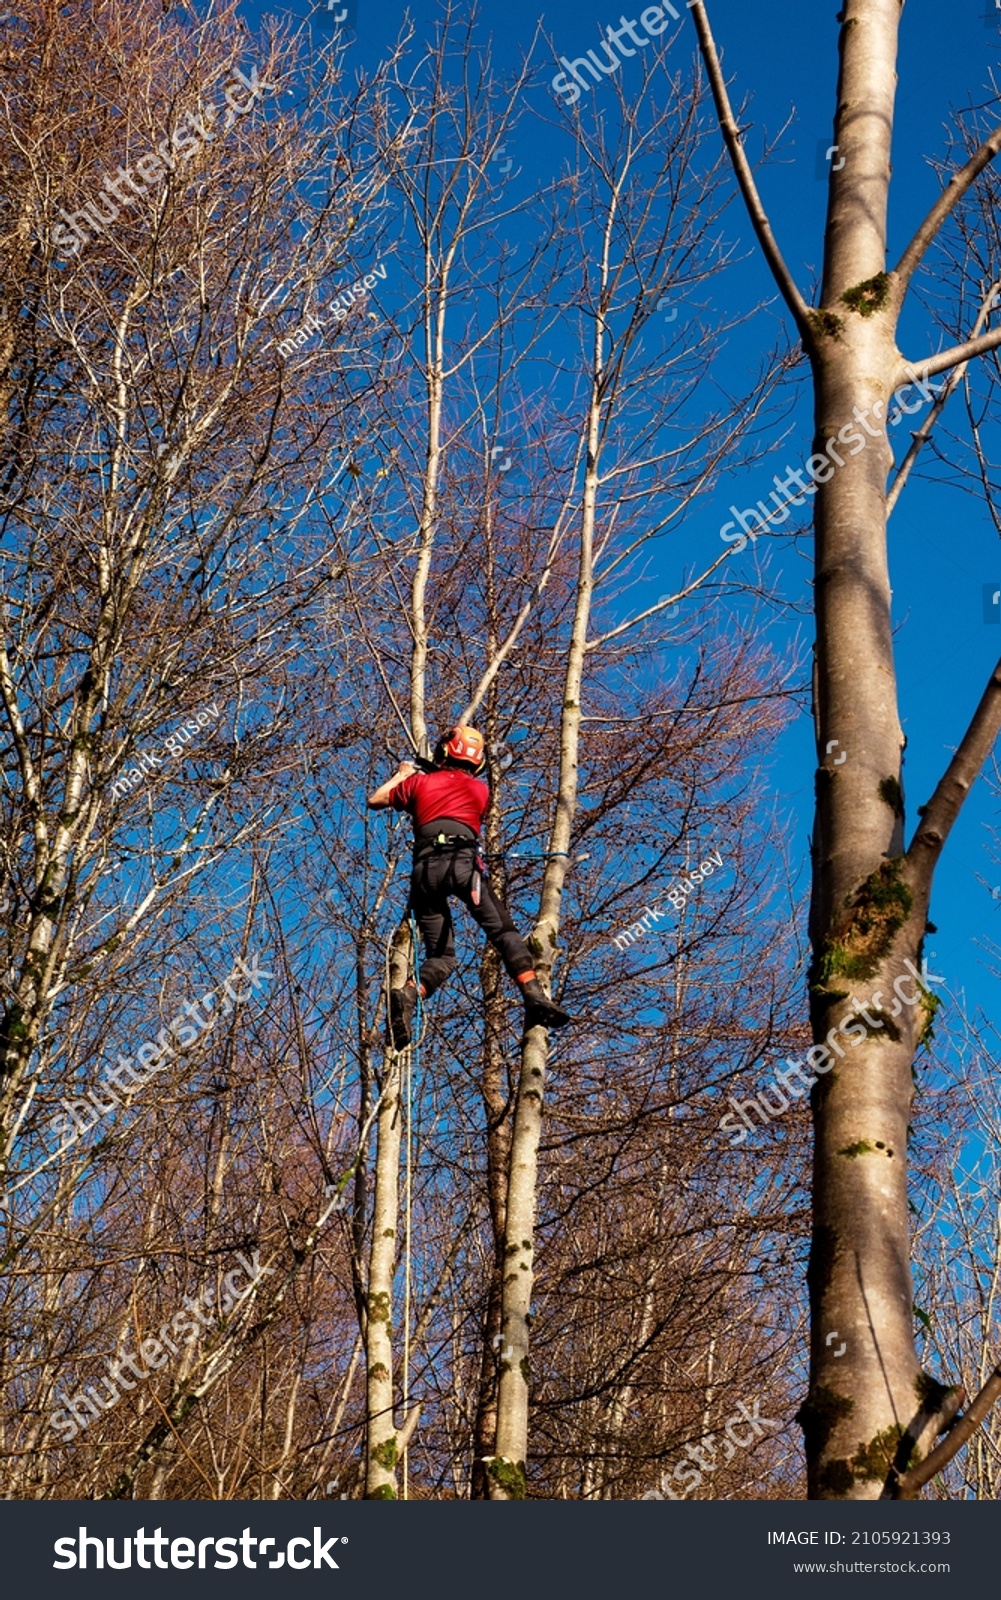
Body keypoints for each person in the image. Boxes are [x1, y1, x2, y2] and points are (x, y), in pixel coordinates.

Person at [367, 723, 571, 1049]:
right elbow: (472, 809)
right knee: (504, 933)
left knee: (443, 957)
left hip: (425, 874)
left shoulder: (419, 783)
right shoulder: (480, 791)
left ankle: (408, 994)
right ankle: (533, 994)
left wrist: (404, 773)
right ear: (477, 762)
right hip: (463, 867)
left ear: (445, 750)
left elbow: (375, 799)